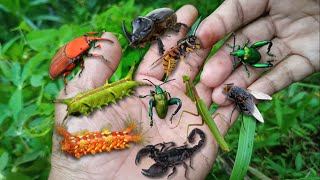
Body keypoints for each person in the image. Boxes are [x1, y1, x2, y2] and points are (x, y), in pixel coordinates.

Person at [49, 1, 319, 179]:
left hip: (172, 120)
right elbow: (168, 150)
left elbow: (169, 153)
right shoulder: (167, 143)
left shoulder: (162, 35)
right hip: (174, 127)